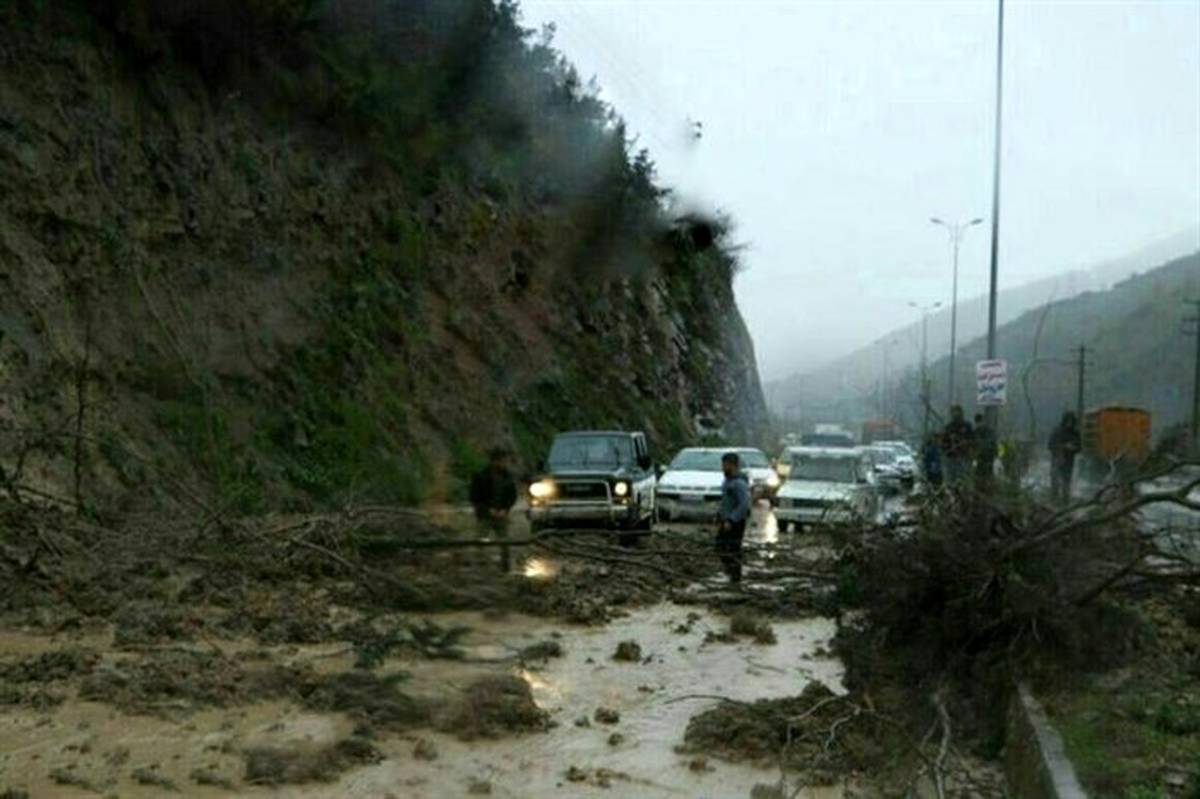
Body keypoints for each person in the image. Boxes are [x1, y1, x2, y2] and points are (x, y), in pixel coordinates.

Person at [469, 447, 518, 571]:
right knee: (481, 541)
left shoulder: (508, 477)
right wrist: (487, 510)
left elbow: (512, 496)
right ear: (495, 461)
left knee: (505, 543)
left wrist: (505, 509)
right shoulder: (480, 476)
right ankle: (479, 567)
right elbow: (474, 497)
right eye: (503, 461)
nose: (505, 463)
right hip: (485, 515)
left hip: (501, 514)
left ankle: (505, 567)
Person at [716, 452, 751, 583]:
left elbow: (744, 504)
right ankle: (731, 571)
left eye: (725, 465)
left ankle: (735, 577)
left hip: (735, 523)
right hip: (725, 521)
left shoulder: (739, 483)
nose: (723, 468)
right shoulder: (727, 481)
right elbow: (725, 501)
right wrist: (719, 515)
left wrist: (732, 519)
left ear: (733, 465)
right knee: (720, 547)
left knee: (734, 549)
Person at [1048, 412, 1081, 504]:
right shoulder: (1057, 431)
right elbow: (1050, 445)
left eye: (1071, 421)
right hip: (1057, 459)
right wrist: (1063, 447)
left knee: (1066, 482)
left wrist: (1073, 448)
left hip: (1069, 461)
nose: (1069, 423)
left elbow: (1080, 447)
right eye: (1068, 421)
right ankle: (1054, 501)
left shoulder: (1075, 433)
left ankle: (1065, 502)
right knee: (1055, 482)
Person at [941, 405, 974, 487]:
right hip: (951, 458)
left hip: (964, 457)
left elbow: (972, 440)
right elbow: (943, 444)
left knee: (964, 481)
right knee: (951, 482)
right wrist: (949, 444)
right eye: (954, 412)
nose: (956, 414)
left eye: (958, 412)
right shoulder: (948, 427)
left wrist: (965, 442)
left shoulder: (967, 426)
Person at [973, 413, 998, 492]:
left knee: (988, 477)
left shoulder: (989, 432)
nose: (979, 424)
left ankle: (988, 491)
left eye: (980, 422)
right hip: (979, 459)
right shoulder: (975, 432)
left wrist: (994, 455)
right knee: (979, 477)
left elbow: (993, 444)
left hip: (988, 458)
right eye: (978, 422)